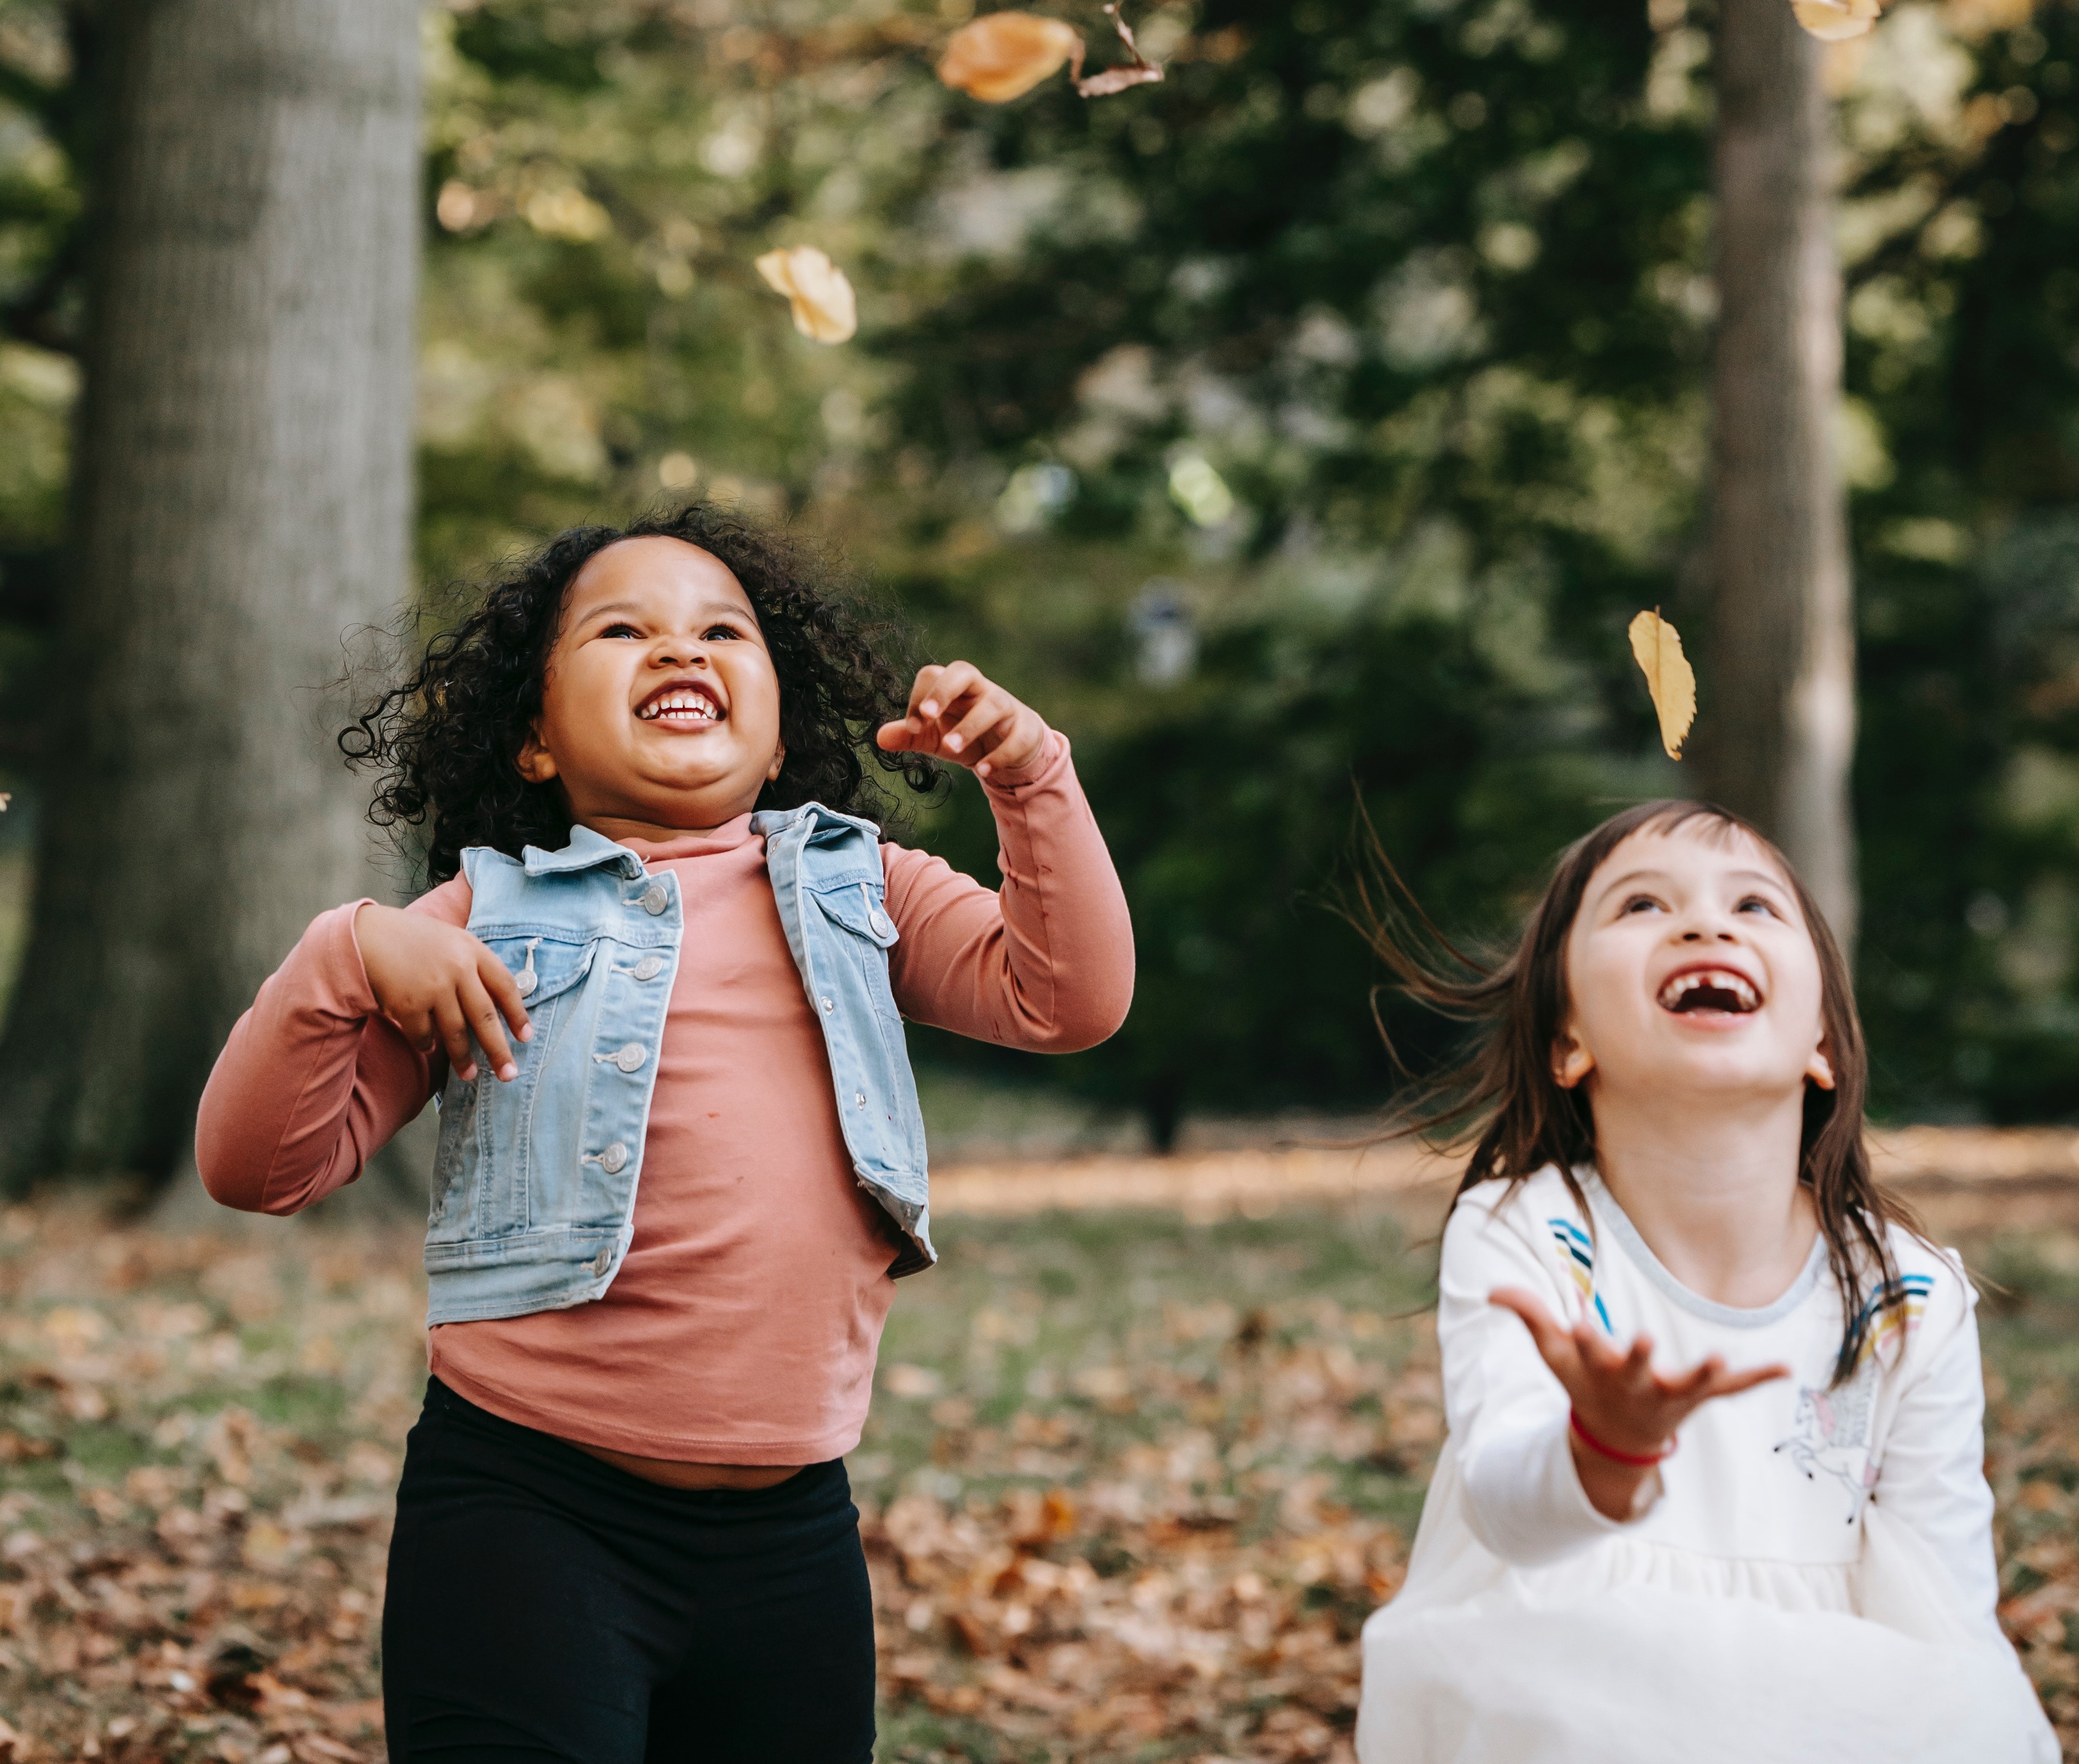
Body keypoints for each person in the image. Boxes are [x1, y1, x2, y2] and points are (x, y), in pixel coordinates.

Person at [194, 504, 1134, 1763]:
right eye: (623, 628)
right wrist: (349, 949)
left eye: (720, 630)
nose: (678, 650)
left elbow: (1066, 999)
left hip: (794, 1541)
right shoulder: (481, 918)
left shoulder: (865, 887)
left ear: (782, 723)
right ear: (533, 738)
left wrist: (1031, 774)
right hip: (529, 1514)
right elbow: (259, 1168)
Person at [1352, 800, 2056, 1764]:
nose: (1704, 923)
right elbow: (1506, 1512)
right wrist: (1602, 1449)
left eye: (1756, 906)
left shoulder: (1907, 1294)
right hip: (1562, 1679)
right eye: (1641, 903)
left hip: (1838, 1704)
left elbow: (1949, 1595)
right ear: (1567, 1041)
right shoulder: (1532, 1234)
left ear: (1822, 1046)